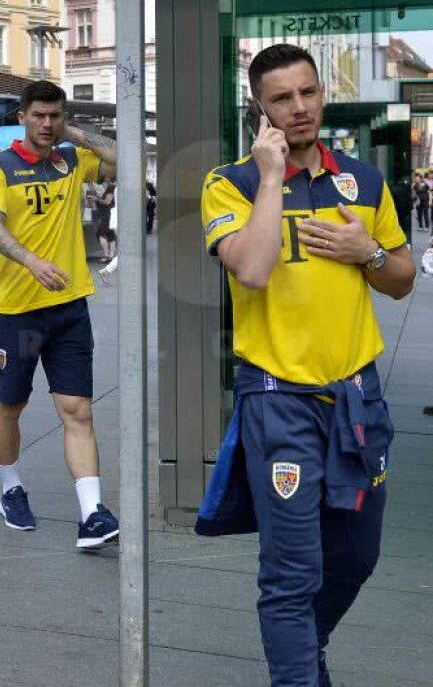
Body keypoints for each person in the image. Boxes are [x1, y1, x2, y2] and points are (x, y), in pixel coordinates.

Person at [198, 43, 414, 686]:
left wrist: (368, 250)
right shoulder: (228, 182)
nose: (299, 109)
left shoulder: (363, 182)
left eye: (308, 93)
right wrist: (270, 179)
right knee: (292, 573)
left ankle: (303, 647)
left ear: (322, 93)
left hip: (356, 401)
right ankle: (296, 672)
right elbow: (254, 269)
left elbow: (401, 281)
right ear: (259, 109)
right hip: (278, 401)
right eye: (282, 99)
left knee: (355, 558)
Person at [0, 81, 120, 548]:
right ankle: (11, 487)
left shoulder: (71, 159)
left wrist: (71, 132)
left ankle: (92, 513)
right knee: (10, 405)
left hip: (69, 309)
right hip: (18, 315)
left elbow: (123, 157)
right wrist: (32, 261)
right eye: (38, 115)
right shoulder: (0, 169)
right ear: (22, 116)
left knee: (77, 409)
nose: (46, 124)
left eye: (54, 115)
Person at [94, 178, 117, 262]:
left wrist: (97, 200)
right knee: (110, 234)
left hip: (107, 214)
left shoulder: (111, 187)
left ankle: (106, 255)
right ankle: (111, 255)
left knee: (100, 234)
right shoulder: (116, 187)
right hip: (112, 213)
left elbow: (107, 202)